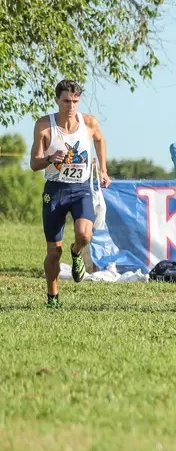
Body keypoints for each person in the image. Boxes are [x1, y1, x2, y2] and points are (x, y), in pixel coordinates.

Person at [29, 79, 111, 309]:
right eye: (66, 101)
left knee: (85, 235)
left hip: (81, 189)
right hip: (55, 191)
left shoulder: (89, 122)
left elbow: (100, 140)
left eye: (75, 101)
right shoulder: (45, 126)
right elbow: (33, 164)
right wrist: (48, 159)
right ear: (57, 100)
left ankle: (76, 254)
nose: (71, 106)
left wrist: (103, 169)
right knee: (54, 252)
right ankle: (53, 297)